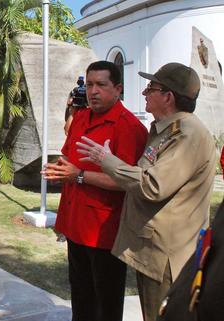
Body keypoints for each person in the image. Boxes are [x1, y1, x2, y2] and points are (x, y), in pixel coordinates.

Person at [76, 63, 218, 321]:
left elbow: (152, 185)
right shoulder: (164, 130)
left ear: (168, 96)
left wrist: (105, 159)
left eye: (151, 88)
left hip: (167, 255)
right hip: (153, 250)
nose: (144, 93)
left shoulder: (187, 134)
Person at [43, 60, 148, 321]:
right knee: (81, 295)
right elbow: (70, 158)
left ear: (118, 88)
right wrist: (60, 171)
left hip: (104, 231)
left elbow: (127, 181)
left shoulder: (129, 127)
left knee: (106, 303)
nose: (93, 91)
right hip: (76, 224)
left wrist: (78, 176)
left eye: (101, 85)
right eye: (90, 85)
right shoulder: (81, 118)